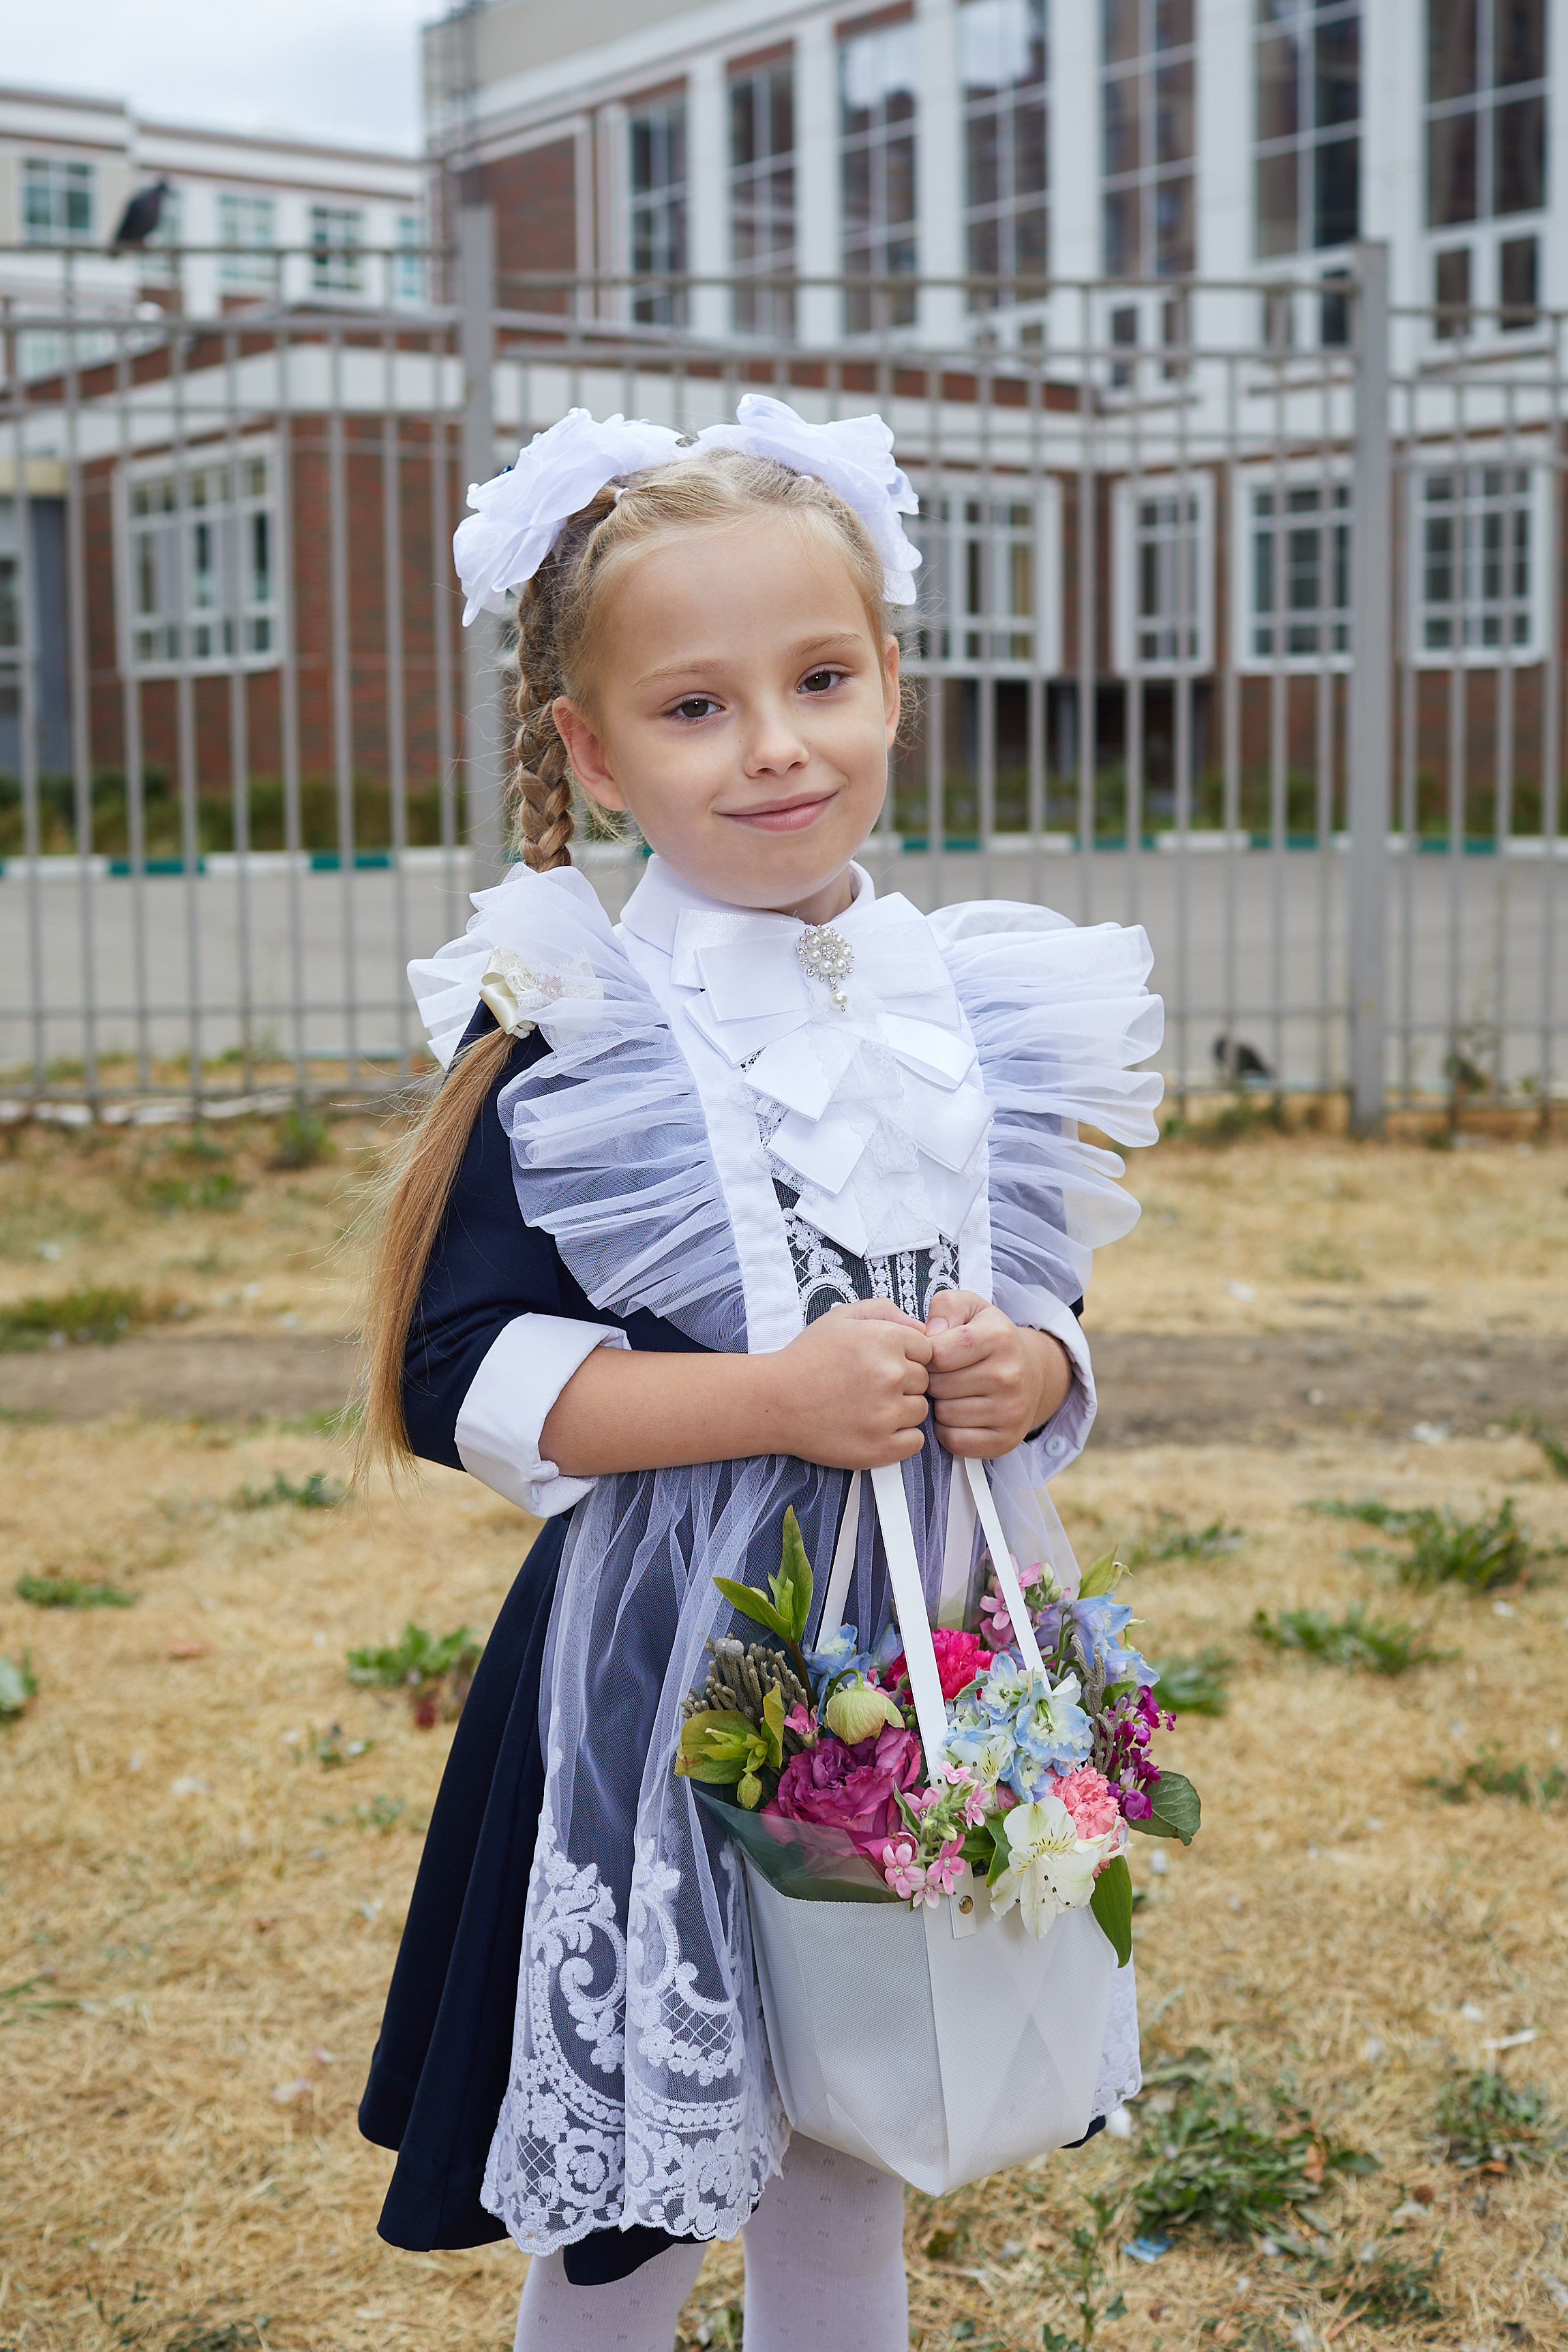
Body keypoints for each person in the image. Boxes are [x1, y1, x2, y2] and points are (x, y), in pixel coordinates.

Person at [355, 397, 1163, 2352]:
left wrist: (1028, 1362)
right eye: (695, 706)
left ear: (892, 680)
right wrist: (768, 1398)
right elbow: (464, 1374)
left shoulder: (977, 994)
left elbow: (1038, 1303)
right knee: (646, 2175)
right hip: (661, 1667)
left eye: (816, 678)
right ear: (594, 754)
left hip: (924, 1639)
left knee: (857, 2123)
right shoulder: (578, 1016)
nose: (774, 743)